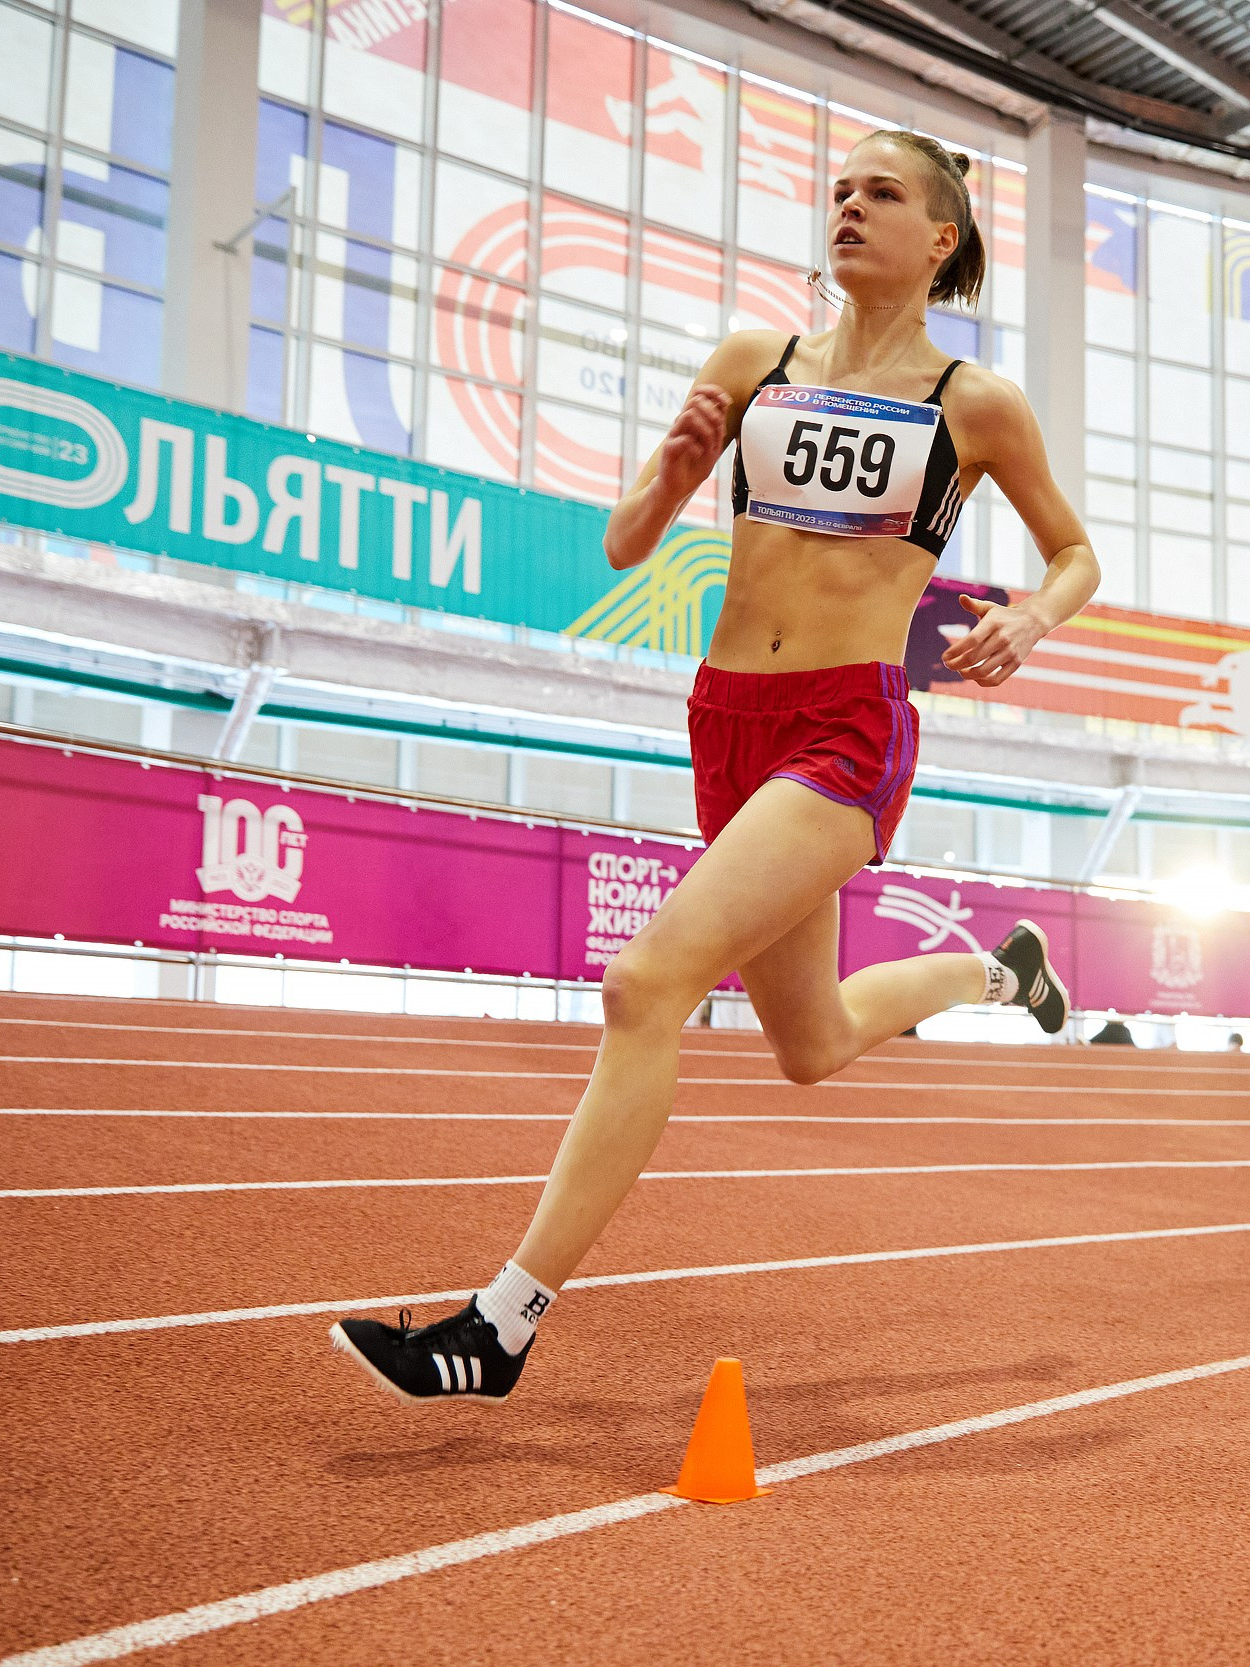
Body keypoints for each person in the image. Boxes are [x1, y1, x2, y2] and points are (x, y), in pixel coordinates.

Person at [332, 129, 1100, 1403]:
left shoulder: (972, 401)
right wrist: (680, 468)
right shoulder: (755, 362)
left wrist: (1029, 617)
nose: (849, 209)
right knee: (811, 1039)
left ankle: (500, 1322)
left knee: (647, 983)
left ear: (942, 237)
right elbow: (627, 540)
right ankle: (994, 966)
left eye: (883, 195)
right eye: (840, 192)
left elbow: (1074, 552)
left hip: (848, 726)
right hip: (725, 714)